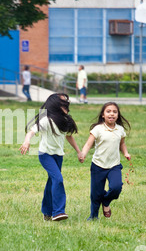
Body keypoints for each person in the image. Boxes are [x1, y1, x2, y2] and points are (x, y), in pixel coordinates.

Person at [20, 93, 84, 222]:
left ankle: (46, 212)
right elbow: (32, 131)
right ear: (55, 105)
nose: (66, 105)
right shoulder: (46, 120)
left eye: (66, 103)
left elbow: (68, 136)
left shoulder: (65, 120)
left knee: (52, 182)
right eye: (62, 103)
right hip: (45, 155)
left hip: (58, 156)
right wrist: (27, 141)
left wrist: (79, 151)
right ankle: (58, 212)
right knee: (58, 179)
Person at [81, 102, 131, 220]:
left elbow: (122, 143)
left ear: (118, 115)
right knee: (95, 194)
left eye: (114, 112)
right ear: (103, 115)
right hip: (98, 165)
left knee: (116, 188)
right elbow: (88, 144)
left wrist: (125, 153)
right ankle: (93, 216)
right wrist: (83, 154)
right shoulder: (98, 129)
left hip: (114, 165)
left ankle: (106, 200)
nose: (111, 114)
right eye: (108, 111)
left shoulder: (120, 129)